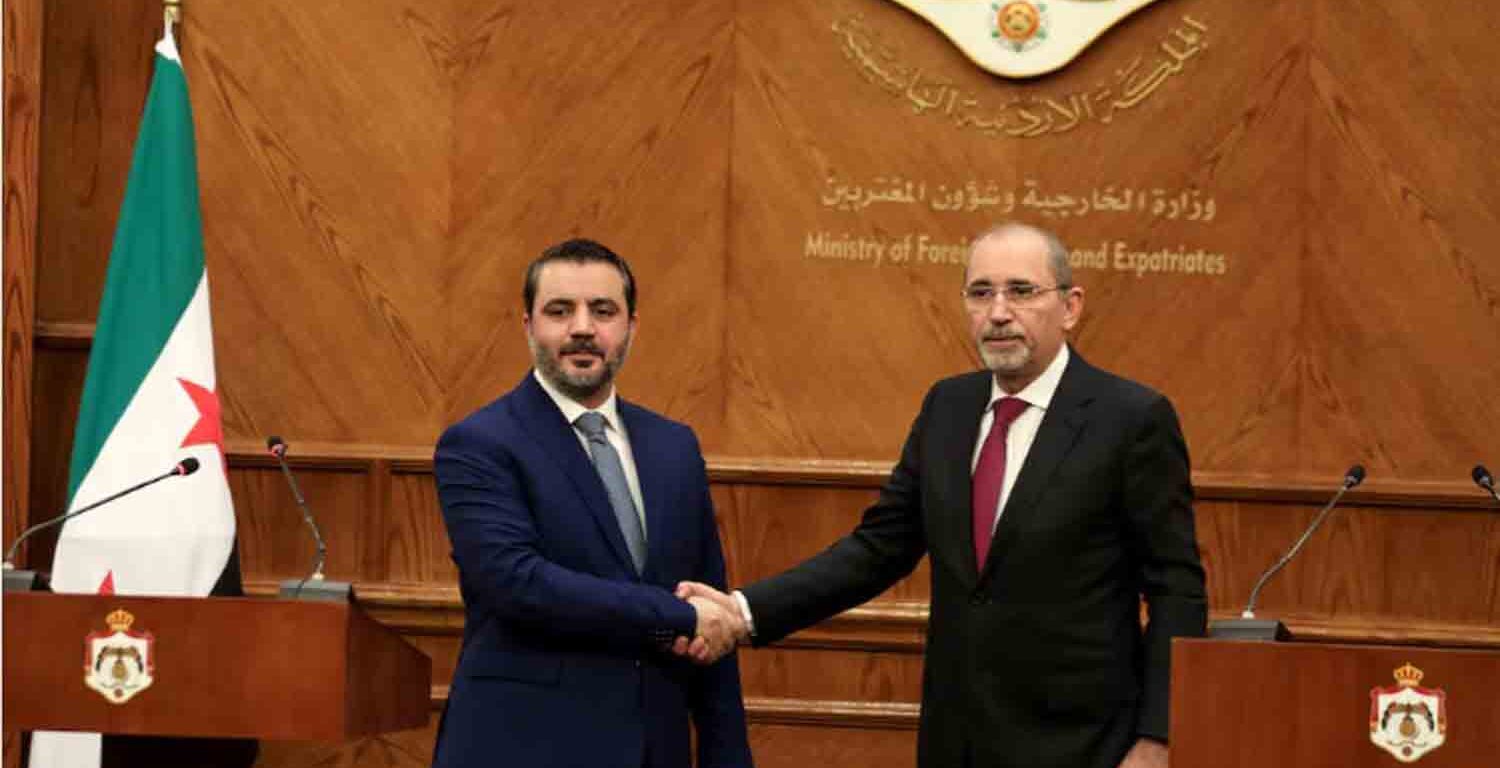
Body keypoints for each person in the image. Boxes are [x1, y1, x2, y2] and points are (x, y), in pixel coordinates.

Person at [679, 222, 1207, 768]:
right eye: (981, 293)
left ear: (1071, 307)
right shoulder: (948, 407)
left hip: (1086, 744)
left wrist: (1159, 738)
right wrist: (744, 611)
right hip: (958, 740)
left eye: (1021, 291)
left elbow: (1176, 587)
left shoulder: (1132, 419)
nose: (998, 312)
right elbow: (878, 549)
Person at [433, 238, 750, 768]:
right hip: (522, 747)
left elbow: (708, 604)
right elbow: (519, 584)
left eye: (603, 311)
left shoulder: (675, 446)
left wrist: (728, 756)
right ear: (528, 326)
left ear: (631, 327)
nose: (582, 327)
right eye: (559, 311)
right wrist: (679, 615)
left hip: (654, 747)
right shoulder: (479, 443)